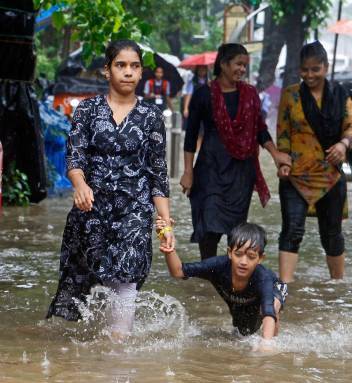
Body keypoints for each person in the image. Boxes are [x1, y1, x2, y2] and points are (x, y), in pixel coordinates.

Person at [46, 40, 175, 341]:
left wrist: (165, 226)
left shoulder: (151, 116)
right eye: (121, 65)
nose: (128, 72)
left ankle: (118, 348)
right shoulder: (87, 111)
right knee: (83, 286)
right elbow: (74, 158)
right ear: (107, 70)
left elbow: (158, 174)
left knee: (126, 278)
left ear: (141, 72)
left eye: (134, 66)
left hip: (134, 212)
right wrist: (79, 186)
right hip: (91, 211)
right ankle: (86, 359)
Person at [181, 43, 291, 260]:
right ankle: (208, 276)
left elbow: (260, 129)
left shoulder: (250, 94)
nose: (242, 69)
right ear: (223, 64)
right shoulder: (203, 95)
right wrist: (187, 171)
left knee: (235, 232)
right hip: (210, 168)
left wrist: (275, 154)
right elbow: (191, 135)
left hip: (241, 171)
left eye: (245, 66)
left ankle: (232, 279)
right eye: (238, 64)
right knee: (209, 228)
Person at [276, 41, 352, 283]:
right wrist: (282, 161)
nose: (309, 75)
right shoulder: (291, 95)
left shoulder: (341, 96)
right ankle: (285, 287)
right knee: (292, 230)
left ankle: (336, 286)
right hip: (295, 174)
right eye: (305, 69)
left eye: (315, 69)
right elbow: (283, 133)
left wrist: (343, 145)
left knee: (332, 234)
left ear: (326, 67)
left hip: (330, 175)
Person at [158, 220, 287, 343]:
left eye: (251, 257)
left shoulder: (263, 278)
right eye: (238, 254)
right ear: (230, 253)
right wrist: (169, 249)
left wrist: (266, 346)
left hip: (274, 290)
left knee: (270, 308)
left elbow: (268, 311)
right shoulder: (217, 266)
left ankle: (272, 345)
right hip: (240, 297)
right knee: (243, 333)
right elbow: (178, 271)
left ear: (260, 258)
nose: (243, 262)